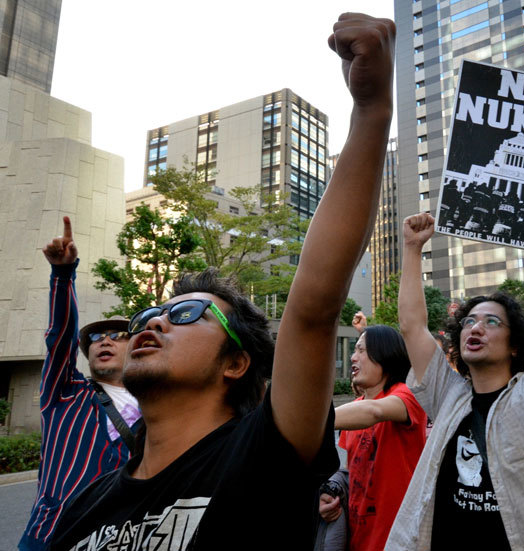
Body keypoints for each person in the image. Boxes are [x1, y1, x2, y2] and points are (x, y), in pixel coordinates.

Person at [50, 13, 396, 550]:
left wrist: (372, 110)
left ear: (236, 362)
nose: (155, 321)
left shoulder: (262, 455)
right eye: (148, 316)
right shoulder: (85, 506)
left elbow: (312, 307)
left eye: (187, 314)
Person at [387, 181, 524, 550]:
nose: (476, 327)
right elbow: (412, 327)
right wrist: (412, 247)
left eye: (491, 322)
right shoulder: (447, 394)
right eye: (469, 321)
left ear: (515, 344)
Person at [19, 217, 141, 551]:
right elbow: (59, 337)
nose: (105, 341)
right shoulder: (65, 394)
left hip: (117, 540)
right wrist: (62, 274)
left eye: (118, 336)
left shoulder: (156, 405)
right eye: (97, 338)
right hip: (49, 537)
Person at [320, 325, 426, 551]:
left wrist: (309, 423)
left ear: (384, 354)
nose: (352, 356)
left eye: (361, 350)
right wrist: (329, 496)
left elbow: (375, 412)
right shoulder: (353, 412)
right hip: (358, 539)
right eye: (354, 350)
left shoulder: (407, 395)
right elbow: (348, 473)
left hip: (400, 542)